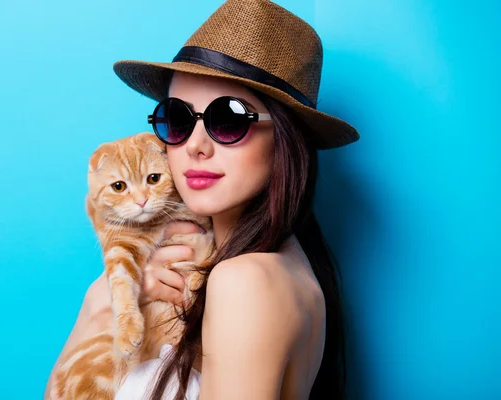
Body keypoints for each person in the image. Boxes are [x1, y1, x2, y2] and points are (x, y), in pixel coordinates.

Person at [45, 0, 360, 398]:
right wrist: (108, 296)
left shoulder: (244, 282)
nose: (195, 146)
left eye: (227, 120)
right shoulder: (259, 269)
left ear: (286, 138)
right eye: (177, 119)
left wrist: (100, 305)